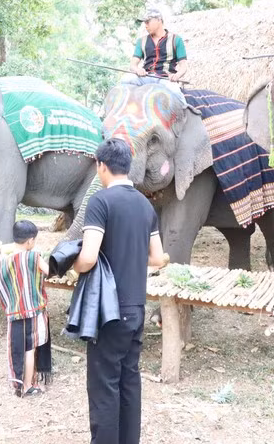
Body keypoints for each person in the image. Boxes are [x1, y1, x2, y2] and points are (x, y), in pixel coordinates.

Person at [73, 138, 169, 444]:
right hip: (136, 309)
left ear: (102, 166)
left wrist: (72, 263)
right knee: (129, 380)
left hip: (109, 312)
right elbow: (157, 257)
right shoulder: (145, 204)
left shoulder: (101, 202)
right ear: (128, 165)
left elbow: (88, 258)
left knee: (104, 385)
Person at [0, 220, 52, 397]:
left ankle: (20, 382)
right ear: (30, 241)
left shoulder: (3, 262)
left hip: (15, 312)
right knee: (30, 348)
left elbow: (0, 287)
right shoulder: (34, 257)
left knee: (18, 347)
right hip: (33, 311)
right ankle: (28, 385)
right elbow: (49, 271)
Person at [122, 8, 188, 93]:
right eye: (144, 22)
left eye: (147, 21)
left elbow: (184, 66)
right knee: (125, 80)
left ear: (159, 20)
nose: (145, 25)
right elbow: (132, 65)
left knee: (177, 96)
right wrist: (138, 70)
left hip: (165, 79)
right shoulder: (141, 41)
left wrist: (176, 76)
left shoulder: (176, 39)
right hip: (145, 78)